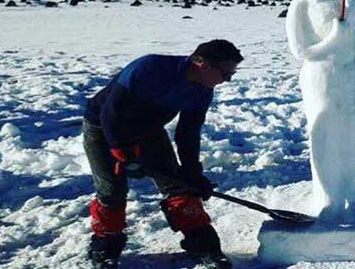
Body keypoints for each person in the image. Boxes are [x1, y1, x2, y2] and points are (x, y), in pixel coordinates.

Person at [82, 40, 243, 269]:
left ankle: (204, 246)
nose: (227, 79)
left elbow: (188, 133)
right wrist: (123, 152)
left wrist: (191, 171)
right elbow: (111, 111)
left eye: (231, 73)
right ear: (202, 63)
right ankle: (105, 247)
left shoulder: (202, 92)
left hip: (149, 131)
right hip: (103, 128)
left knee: (180, 187)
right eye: (225, 73)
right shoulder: (150, 68)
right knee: (112, 190)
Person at [286, 0, 355, 224]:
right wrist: (334, 39)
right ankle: (328, 198)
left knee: (352, 136)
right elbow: (300, 51)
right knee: (323, 135)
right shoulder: (301, 4)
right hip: (318, 77)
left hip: (348, 77)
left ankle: (352, 197)